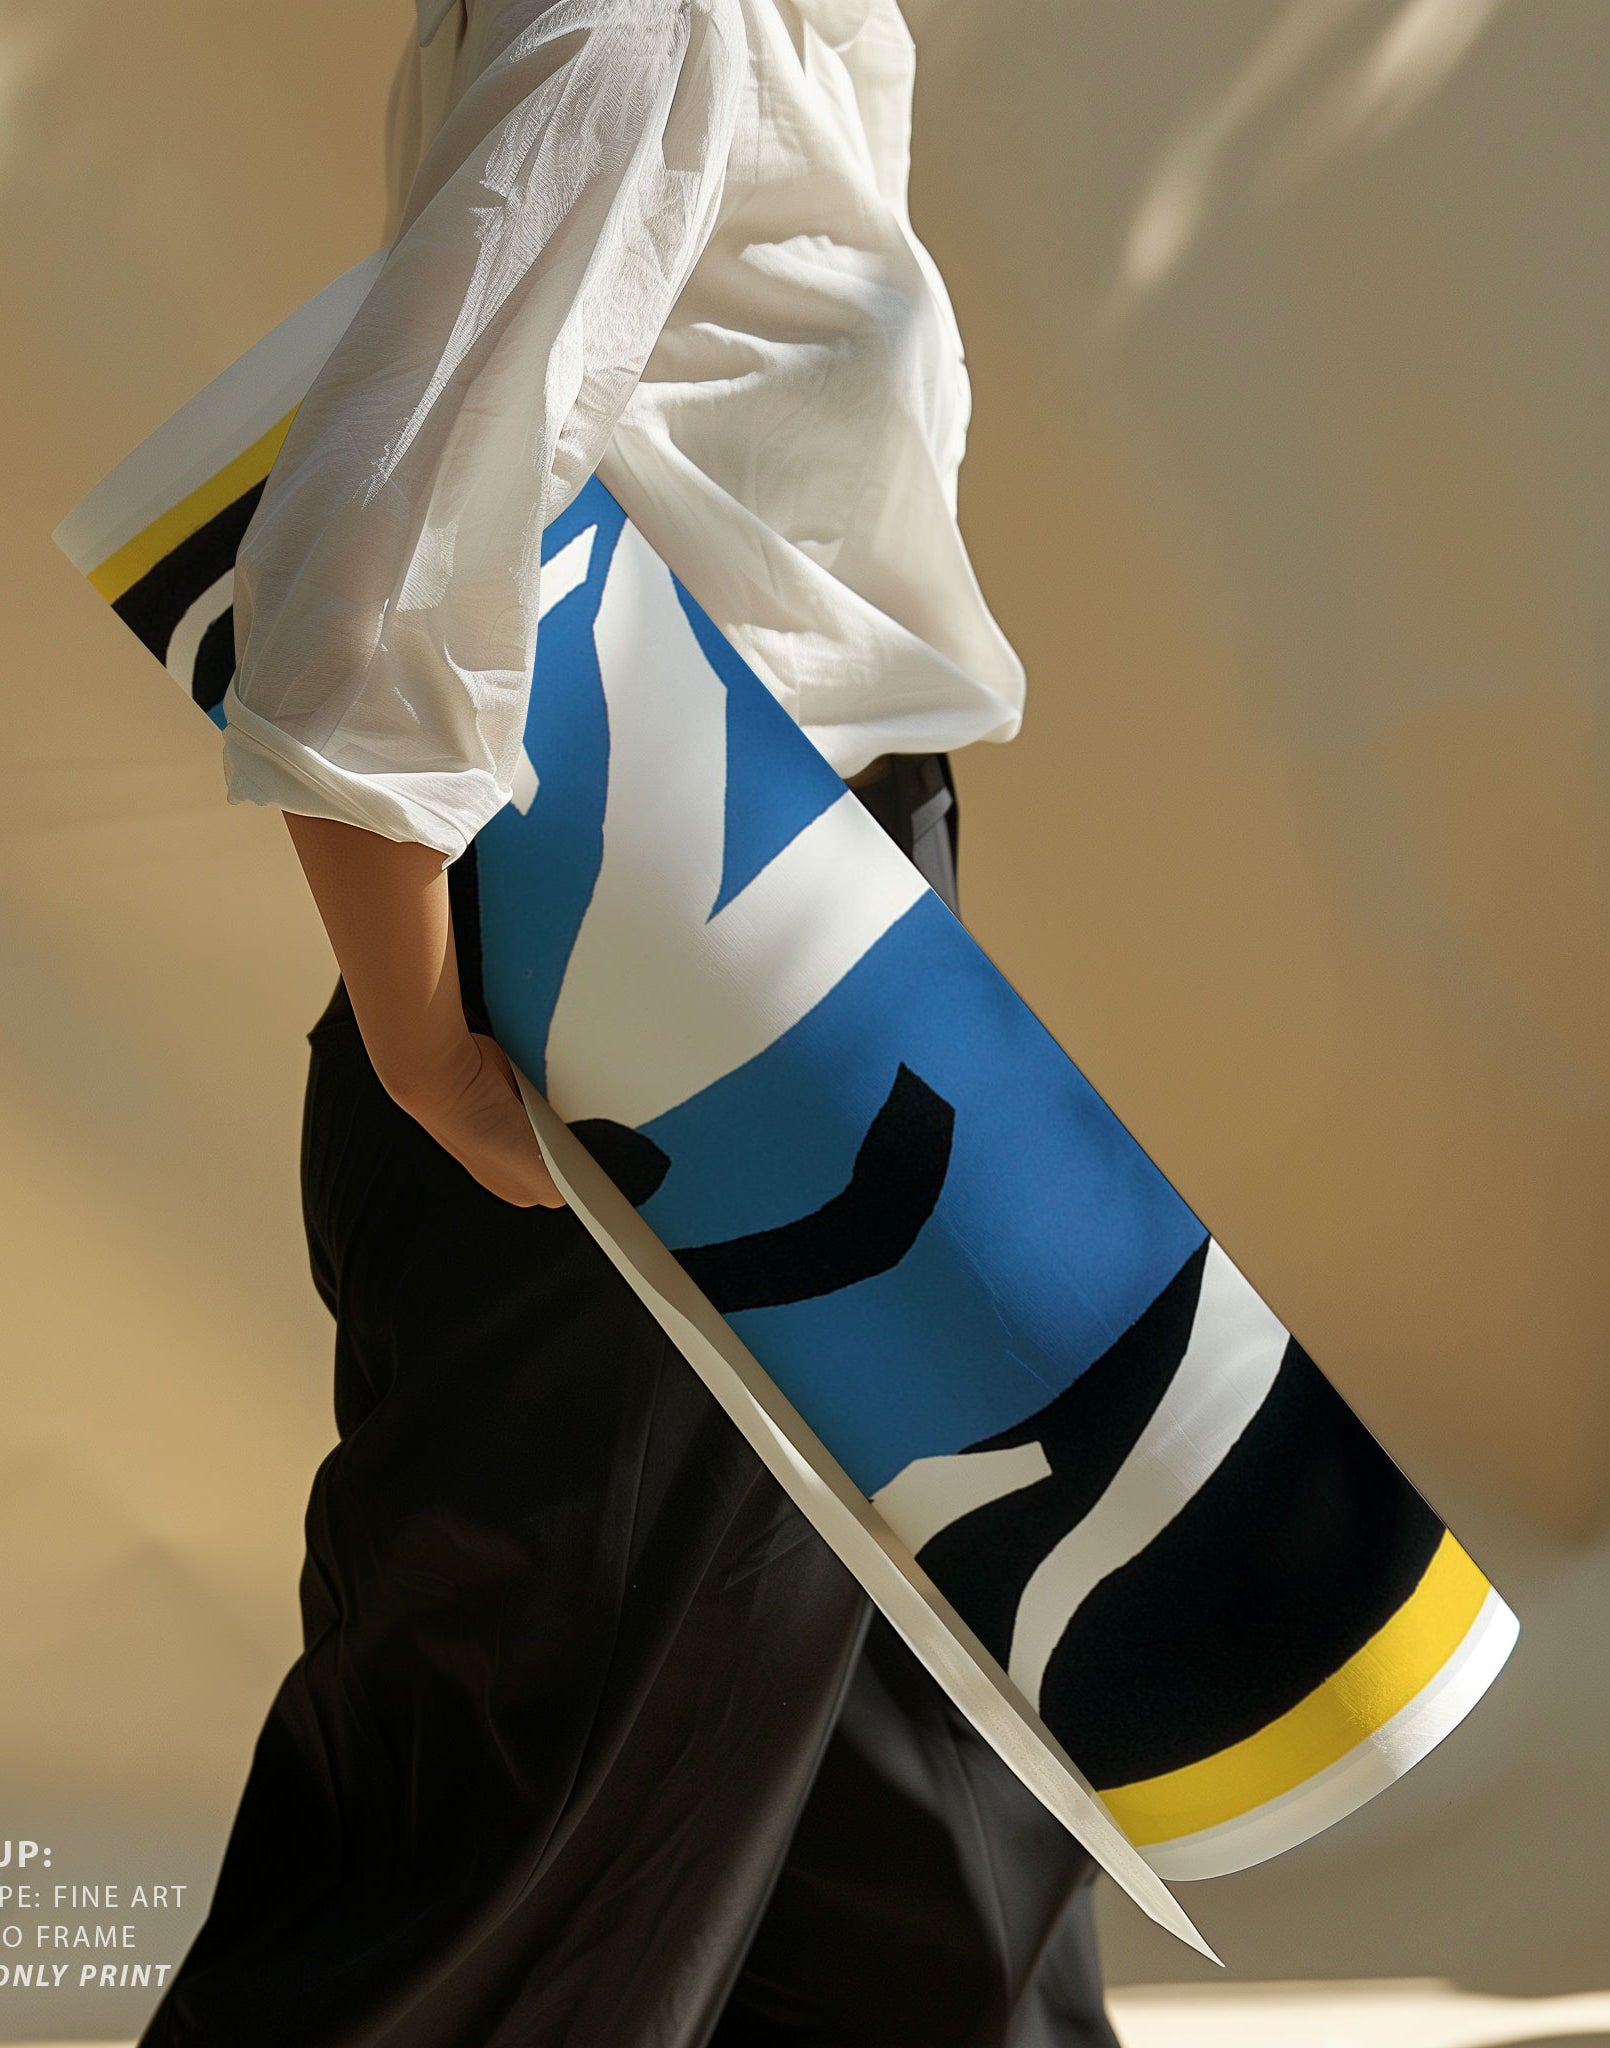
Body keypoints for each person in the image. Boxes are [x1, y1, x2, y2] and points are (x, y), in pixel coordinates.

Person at [136, 3, 1122, 2042]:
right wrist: (426, 1043)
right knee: (501, 1849)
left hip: (825, 935)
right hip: (650, 975)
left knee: (933, 1815)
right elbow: (373, 540)